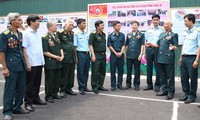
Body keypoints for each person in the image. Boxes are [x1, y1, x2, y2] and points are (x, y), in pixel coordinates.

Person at [0, 12, 29, 120]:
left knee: (21, 88)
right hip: (11, 66)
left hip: (21, 65)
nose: (21, 22)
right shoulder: (5, 34)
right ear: (13, 21)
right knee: (10, 89)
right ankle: (7, 111)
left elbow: (21, 49)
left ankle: (17, 107)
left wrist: (26, 63)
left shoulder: (20, 34)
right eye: (19, 20)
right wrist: (5, 68)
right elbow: (1, 53)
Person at [146, 20, 178, 100]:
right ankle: (164, 89)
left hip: (168, 57)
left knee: (170, 76)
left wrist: (173, 47)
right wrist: (150, 44)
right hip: (160, 57)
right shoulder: (161, 34)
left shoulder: (174, 35)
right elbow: (157, 45)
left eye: (166, 24)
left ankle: (171, 92)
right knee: (162, 75)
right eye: (164, 24)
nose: (164, 25)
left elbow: (176, 46)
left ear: (170, 26)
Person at [22, 15, 46, 112]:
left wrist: (42, 61)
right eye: (37, 21)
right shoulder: (26, 33)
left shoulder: (37, 33)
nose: (39, 23)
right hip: (31, 63)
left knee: (37, 83)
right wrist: (27, 63)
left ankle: (36, 98)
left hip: (39, 62)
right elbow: (24, 49)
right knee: (29, 84)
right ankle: (28, 102)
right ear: (31, 22)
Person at [179, 14, 200, 104]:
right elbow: (184, 45)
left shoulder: (197, 32)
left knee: (193, 78)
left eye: (186, 21)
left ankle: (192, 96)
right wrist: (180, 57)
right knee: (183, 77)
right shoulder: (185, 31)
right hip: (184, 57)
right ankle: (186, 94)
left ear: (191, 21)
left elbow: (199, 46)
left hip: (192, 57)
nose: (184, 22)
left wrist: (196, 60)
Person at [42, 21, 64, 103]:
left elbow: (60, 47)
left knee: (57, 79)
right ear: (50, 27)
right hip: (50, 62)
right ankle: (48, 95)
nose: (56, 27)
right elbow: (45, 51)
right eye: (55, 25)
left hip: (58, 61)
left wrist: (62, 56)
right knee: (50, 80)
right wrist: (55, 57)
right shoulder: (45, 37)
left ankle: (55, 93)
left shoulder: (56, 36)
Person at [144, 14, 164, 92]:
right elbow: (145, 41)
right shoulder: (148, 30)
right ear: (152, 21)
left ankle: (157, 85)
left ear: (159, 21)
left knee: (157, 68)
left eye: (157, 19)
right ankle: (149, 84)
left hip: (157, 50)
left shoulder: (162, 31)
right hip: (149, 50)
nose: (155, 21)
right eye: (154, 20)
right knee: (149, 68)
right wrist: (145, 52)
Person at [57, 20, 77, 96]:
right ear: (66, 25)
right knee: (64, 75)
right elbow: (59, 45)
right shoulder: (60, 33)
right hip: (65, 56)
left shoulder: (72, 33)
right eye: (70, 25)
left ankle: (69, 88)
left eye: (72, 25)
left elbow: (72, 45)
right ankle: (62, 89)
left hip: (71, 56)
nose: (71, 27)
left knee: (71, 74)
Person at [89, 20, 108, 94]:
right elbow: (90, 45)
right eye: (101, 25)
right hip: (96, 54)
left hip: (103, 55)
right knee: (95, 71)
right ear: (97, 26)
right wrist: (93, 55)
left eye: (103, 25)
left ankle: (100, 85)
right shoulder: (93, 34)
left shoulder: (103, 34)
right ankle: (94, 87)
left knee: (102, 71)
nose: (103, 26)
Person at [74, 18, 92, 95]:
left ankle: (85, 86)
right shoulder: (76, 34)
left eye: (85, 23)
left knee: (86, 71)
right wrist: (76, 57)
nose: (85, 24)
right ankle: (81, 87)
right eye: (83, 23)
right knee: (81, 71)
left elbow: (88, 44)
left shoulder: (86, 33)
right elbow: (75, 46)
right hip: (80, 53)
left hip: (87, 53)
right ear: (79, 25)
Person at [125, 20, 145, 91]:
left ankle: (136, 84)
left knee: (137, 70)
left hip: (137, 55)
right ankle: (128, 84)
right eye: (133, 25)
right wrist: (125, 53)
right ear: (131, 26)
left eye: (135, 25)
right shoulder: (128, 34)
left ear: (138, 26)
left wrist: (141, 54)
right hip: (129, 54)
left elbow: (142, 45)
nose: (134, 26)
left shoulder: (141, 34)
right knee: (129, 70)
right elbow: (126, 45)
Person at [107, 21, 125, 91]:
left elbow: (124, 44)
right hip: (113, 55)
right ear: (114, 27)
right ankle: (113, 85)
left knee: (121, 70)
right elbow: (109, 45)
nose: (119, 27)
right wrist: (115, 52)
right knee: (113, 70)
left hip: (121, 54)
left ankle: (119, 84)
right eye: (118, 26)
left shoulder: (122, 35)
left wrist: (121, 52)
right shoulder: (110, 35)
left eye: (120, 26)